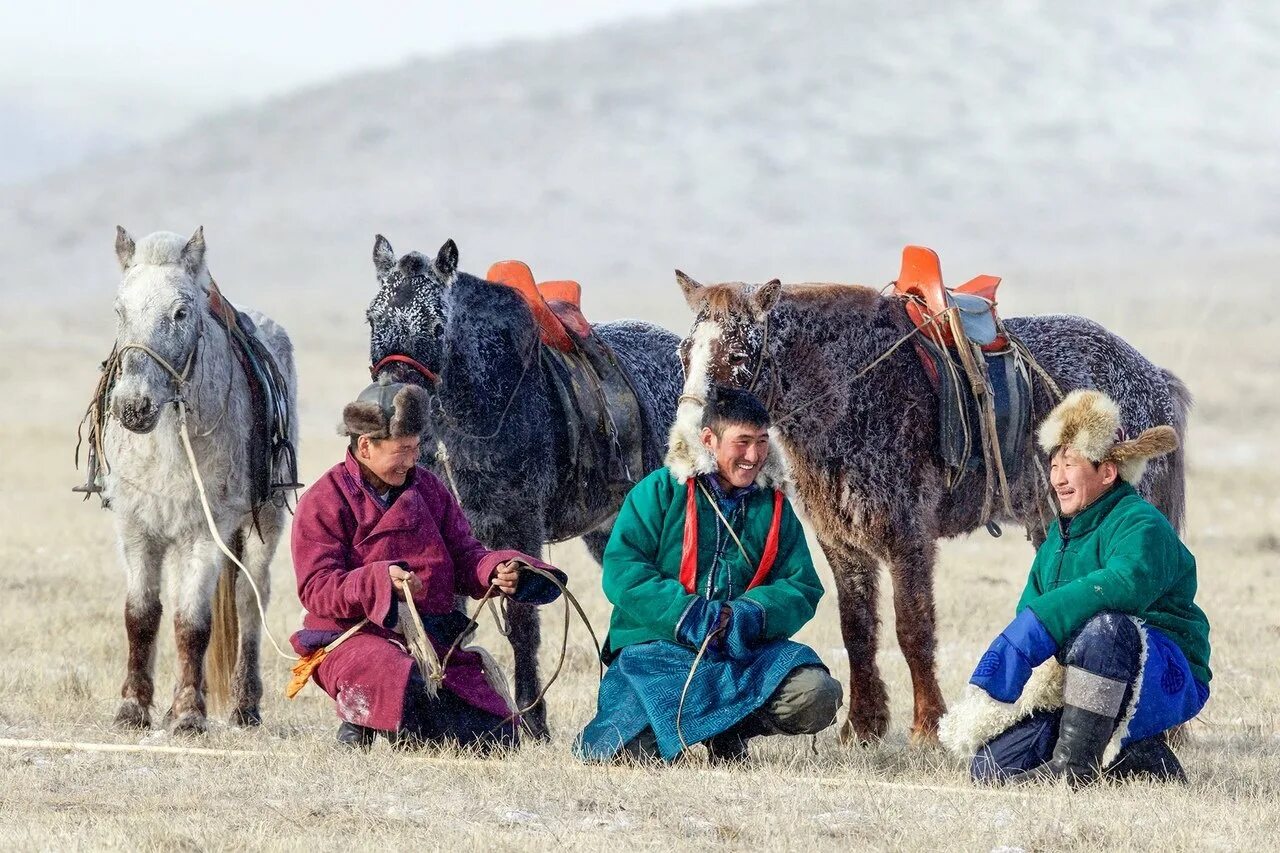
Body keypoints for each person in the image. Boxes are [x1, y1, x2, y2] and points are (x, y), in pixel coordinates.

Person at [289, 377, 565, 751]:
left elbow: (466, 556)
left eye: (417, 448)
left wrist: (495, 571)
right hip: (353, 638)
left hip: (433, 644)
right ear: (366, 446)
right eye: (403, 449)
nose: (413, 459)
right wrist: (379, 581)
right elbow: (316, 589)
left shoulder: (431, 490)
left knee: (495, 735)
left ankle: (398, 722)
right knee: (398, 678)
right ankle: (360, 720)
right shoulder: (324, 500)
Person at [951, 389, 1210, 786]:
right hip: (1084, 675)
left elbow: (1124, 585)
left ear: (1107, 472)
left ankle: (1074, 772)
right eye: (1054, 463)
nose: (1057, 477)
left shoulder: (1141, 523)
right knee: (992, 769)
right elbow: (1033, 607)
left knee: (1106, 629)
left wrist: (1038, 626)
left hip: (1163, 672)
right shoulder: (1058, 537)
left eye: (1070, 463)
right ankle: (1138, 757)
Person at [576, 386, 841, 764]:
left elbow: (801, 586)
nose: (754, 456)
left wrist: (745, 615)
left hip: (742, 652)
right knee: (621, 754)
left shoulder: (775, 506)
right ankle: (696, 727)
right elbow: (624, 572)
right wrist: (689, 615)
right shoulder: (659, 491)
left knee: (817, 694)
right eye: (742, 442)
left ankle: (732, 729)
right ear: (708, 440)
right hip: (659, 651)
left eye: (762, 442)